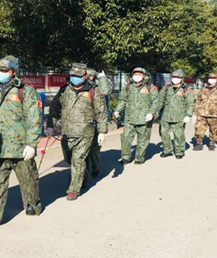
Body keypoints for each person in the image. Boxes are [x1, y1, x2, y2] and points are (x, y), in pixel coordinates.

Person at [0, 55, 42, 230]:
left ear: (13, 72)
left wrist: (32, 143)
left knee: (28, 178)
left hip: (20, 146)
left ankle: (32, 204)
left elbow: (34, 118)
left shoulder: (25, 91)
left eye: (4, 70)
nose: (0, 73)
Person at [47, 63, 108, 201]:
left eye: (78, 76)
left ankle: (73, 190)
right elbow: (54, 108)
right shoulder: (64, 90)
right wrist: (50, 125)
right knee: (70, 159)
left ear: (85, 76)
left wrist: (103, 131)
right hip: (67, 132)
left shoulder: (93, 91)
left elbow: (101, 112)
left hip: (85, 133)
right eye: (73, 75)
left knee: (78, 160)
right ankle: (83, 176)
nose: (74, 78)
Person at [113, 67, 158, 165]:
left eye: (139, 74)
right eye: (135, 74)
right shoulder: (128, 87)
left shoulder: (150, 87)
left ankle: (139, 158)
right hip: (130, 119)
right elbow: (122, 100)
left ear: (144, 76)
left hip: (144, 119)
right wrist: (117, 110)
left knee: (143, 140)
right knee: (125, 138)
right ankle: (125, 157)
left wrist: (151, 113)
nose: (136, 76)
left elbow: (156, 102)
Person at [154, 69, 195, 159]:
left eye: (177, 77)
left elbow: (190, 103)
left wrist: (188, 115)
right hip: (166, 116)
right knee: (164, 134)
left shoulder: (186, 89)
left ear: (181, 78)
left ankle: (179, 151)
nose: (175, 79)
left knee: (178, 135)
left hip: (179, 117)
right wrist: (156, 110)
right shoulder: (167, 88)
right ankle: (167, 150)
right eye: (174, 77)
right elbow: (160, 100)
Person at [193, 72, 217, 151]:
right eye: (210, 78)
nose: (211, 80)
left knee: (213, 130)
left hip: (214, 114)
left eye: (214, 78)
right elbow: (198, 101)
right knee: (199, 129)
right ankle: (199, 144)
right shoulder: (203, 90)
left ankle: (212, 143)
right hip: (201, 113)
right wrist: (195, 110)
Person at [86, 68, 112, 177]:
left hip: (96, 122)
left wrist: (102, 78)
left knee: (94, 150)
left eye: (90, 76)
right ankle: (84, 173)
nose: (88, 78)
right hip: (83, 123)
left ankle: (95, 167)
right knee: (83, 151)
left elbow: (106, 91)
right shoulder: (81, 87)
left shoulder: (98, 86)